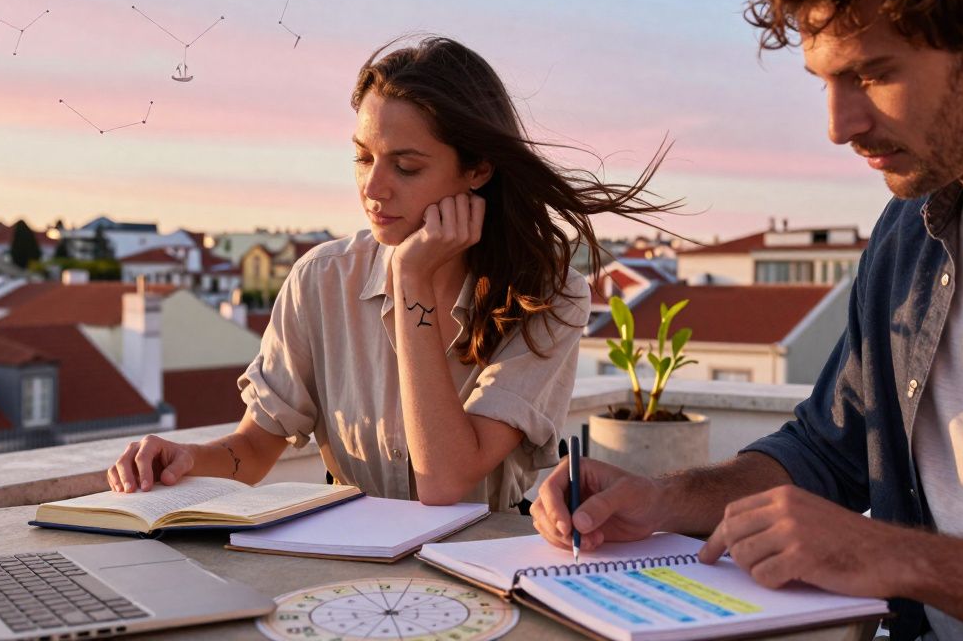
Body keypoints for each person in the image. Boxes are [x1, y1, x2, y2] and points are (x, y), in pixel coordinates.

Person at [531, 0, 963, 638]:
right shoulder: (908, 234)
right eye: (825, 80)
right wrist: (665, 498)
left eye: (874, 73)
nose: (838, 125)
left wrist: (902, 559)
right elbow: (826, 450)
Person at [107, 36, 681, 511]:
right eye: (363, 157)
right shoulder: (320, 279)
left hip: (481, 571)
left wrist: (409, 280)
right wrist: (189, 458)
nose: (373, 189)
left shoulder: (548, 297)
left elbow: (446, 481)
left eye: (405, 166)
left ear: (478, 169)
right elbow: (256, 448)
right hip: (347, 568)